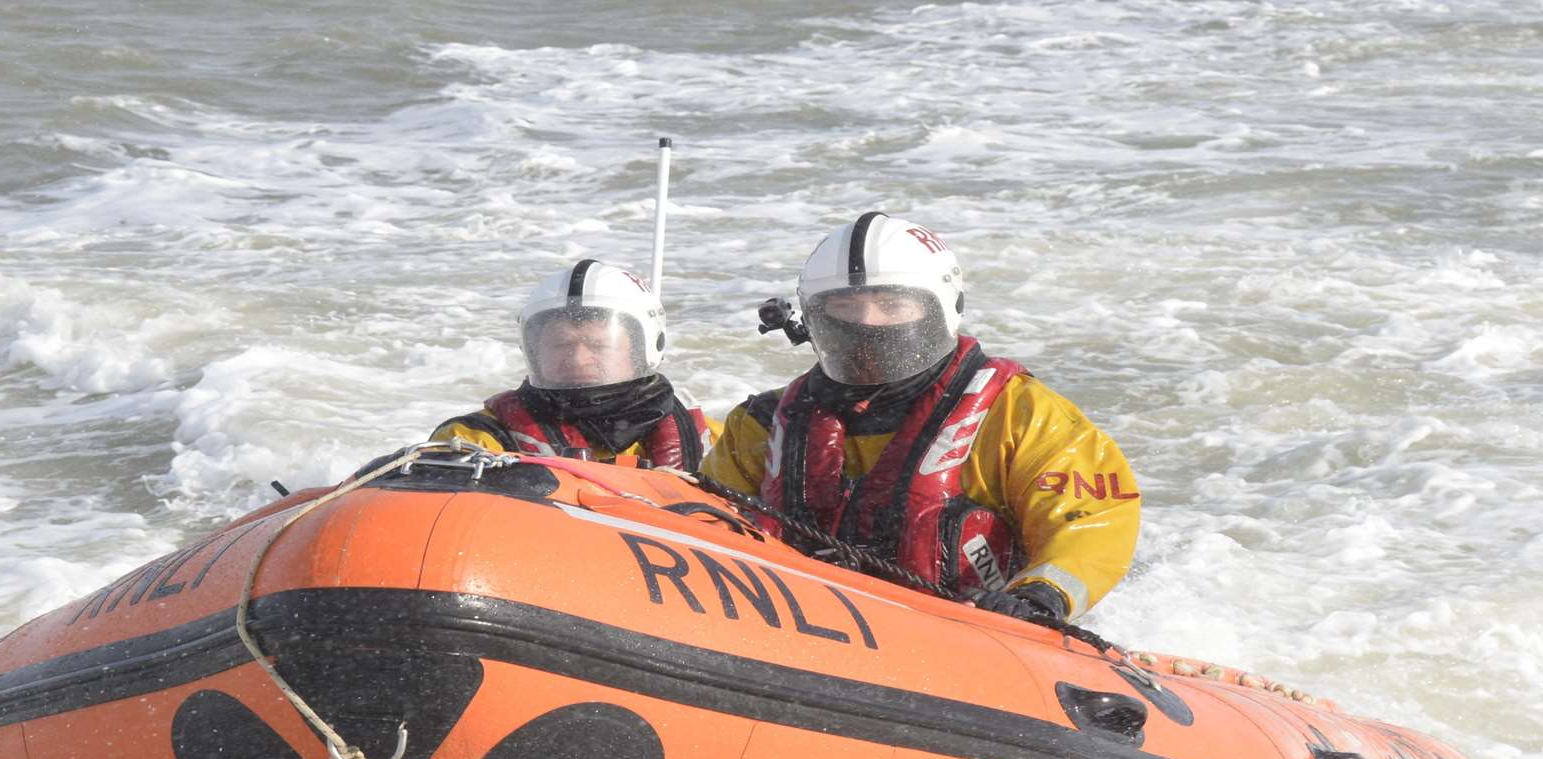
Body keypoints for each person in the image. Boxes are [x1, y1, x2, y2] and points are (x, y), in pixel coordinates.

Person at [698, 212, 1140, 627]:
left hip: (968, 636)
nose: (867, 324)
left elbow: (1092, 522)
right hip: (792, 625)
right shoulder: (759, 425)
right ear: (813, 318)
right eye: (846, 309)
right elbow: (701, 523)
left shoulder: (1018, 414)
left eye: (891, 305)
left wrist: (1037, 598)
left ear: (939, 309)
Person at [432, 259, 718, 469]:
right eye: (561, 345)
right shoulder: (475, 441)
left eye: (597, 345)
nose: (579, 359)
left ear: (645, 348)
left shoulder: (719, 442)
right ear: (533, 350)